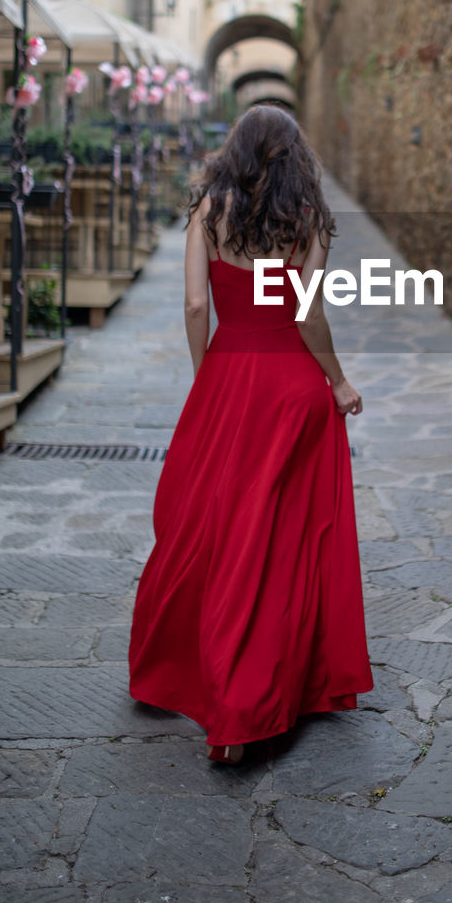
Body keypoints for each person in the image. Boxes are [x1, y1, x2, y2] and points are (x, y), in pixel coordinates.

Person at [128, 104, 373, 764]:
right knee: (284, 538)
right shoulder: (308, 222)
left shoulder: (209, 212)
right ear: (295, 157)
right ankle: (266, 688)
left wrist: (205, 374)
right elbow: (305, 315)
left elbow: (194, 305)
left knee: (208, 525)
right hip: (291, 389)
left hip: (229, 375)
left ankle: (195, 674)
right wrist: (340, 383)